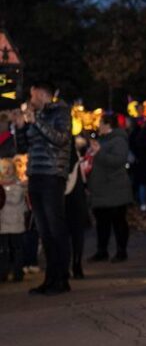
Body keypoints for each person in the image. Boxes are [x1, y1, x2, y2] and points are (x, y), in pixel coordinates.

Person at [13, 81, 72, 295]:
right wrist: (20, 127)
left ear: (42, 94)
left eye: (33, 95)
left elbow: (60, 139)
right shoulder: (35, 116)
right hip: (36, 175)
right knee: (44, 231)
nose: (30, 99)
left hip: (52, 176)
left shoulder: (61, 112)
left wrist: (35, 120)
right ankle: (50, 278)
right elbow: (24, 147)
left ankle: (62, 278)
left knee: (56, 229)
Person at [87, 114, 134, 263]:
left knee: (118, 221)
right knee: (102, 223)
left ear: (108, 125)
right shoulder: (102, 140)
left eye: (100, 123)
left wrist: (99, 152)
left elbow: (118, 161)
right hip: (101, 190)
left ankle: (121, 251)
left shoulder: (118, 140)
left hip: (115, 189)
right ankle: (102, 250)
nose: (98, 126)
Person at [65, 135, 90, 278]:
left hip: (69, 198)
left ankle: (70, 265)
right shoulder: (77, 156)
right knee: (76, 235)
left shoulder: (69, 156)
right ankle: (76, 265)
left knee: (68, 234)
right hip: (77, 197)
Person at [0, 157, 26, 282]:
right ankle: (3, 272)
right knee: (3, 250)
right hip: (3, 223)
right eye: (4, 168)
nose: (7, 171)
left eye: (9, 168)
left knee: (17, 248)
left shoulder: (18, 184)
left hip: (16, 221)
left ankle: (18, 272)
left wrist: (5, 194)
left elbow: (14, 200)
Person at [129, 108, 146, 212]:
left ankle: (144, 203)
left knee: (143, 184)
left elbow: (133, 145)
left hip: (141, 162)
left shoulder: (138, 136)